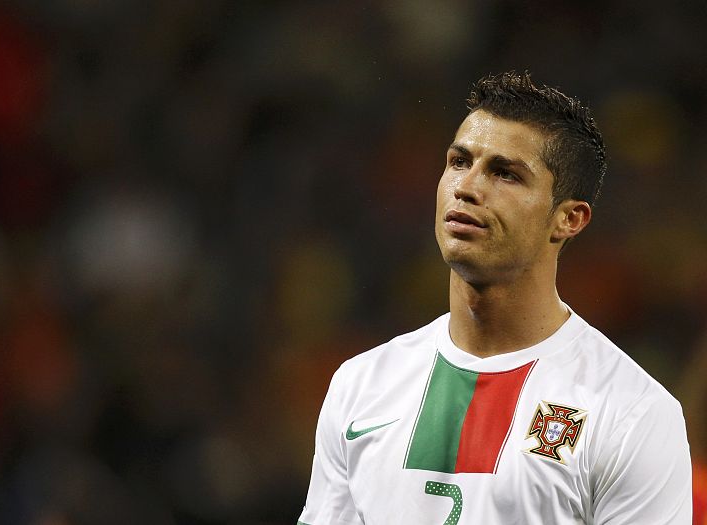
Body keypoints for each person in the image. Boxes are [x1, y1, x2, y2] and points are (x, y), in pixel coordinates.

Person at [296, 72, 692, 524]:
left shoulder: (631, 413)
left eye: (505, 174)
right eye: (459, 161)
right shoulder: (361, 386)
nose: (467, 187)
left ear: (569, 219)